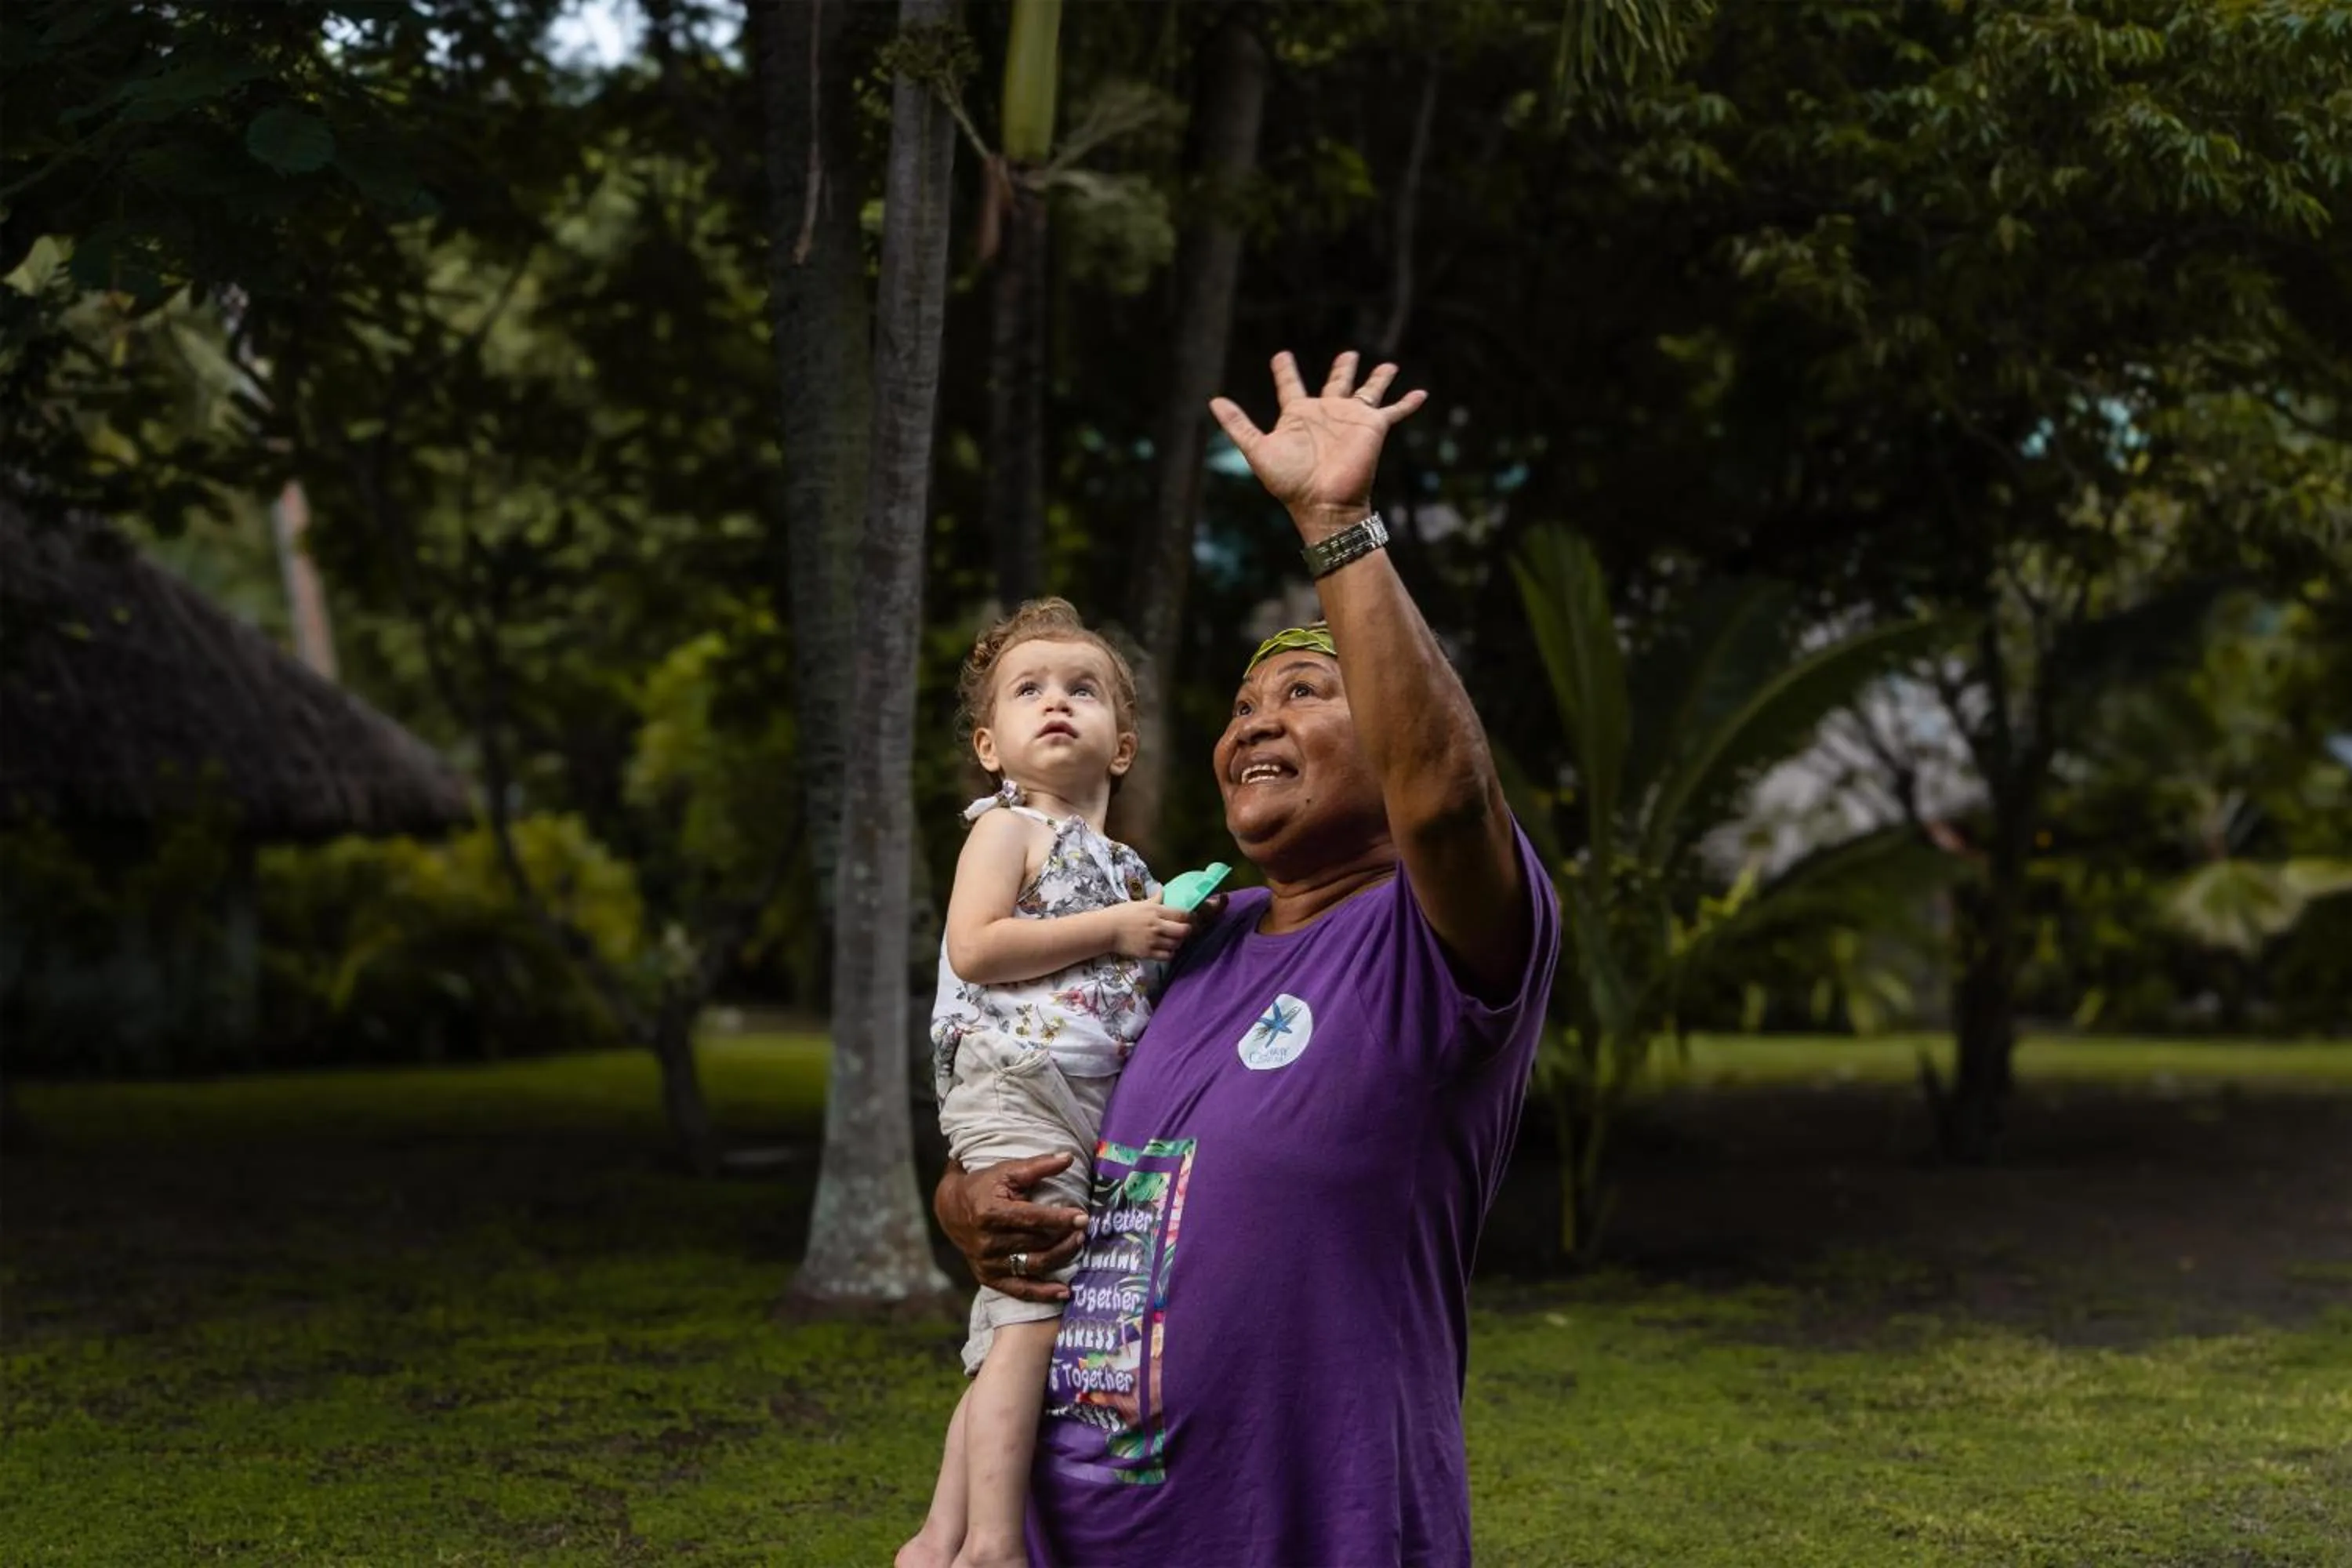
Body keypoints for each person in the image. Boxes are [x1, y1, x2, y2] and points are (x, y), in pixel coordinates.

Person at [934, 350, 1561, 1568]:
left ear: (1388, 735)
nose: (1257, 722)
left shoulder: (1443, 946)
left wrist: (1334, 524)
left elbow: (1443, 798)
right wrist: (974, 1208)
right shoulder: (1180, 942)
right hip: (1075, 1533)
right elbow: (1027, 1087)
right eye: (1242, 707)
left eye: (1309, 692)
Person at [902, 598, 1197, 1568]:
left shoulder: (1124, 869)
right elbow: (978, 946)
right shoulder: (1008, 831)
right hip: (1010, 1081)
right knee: (1035, 1308)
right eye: (1029, 690)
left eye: (1083, 688)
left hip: (1079, 1102)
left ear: (1123, 745)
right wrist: (1118, 930)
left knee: (1016, 1320)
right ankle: (993, 1544)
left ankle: (937, 1537)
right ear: (992, 746)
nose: (1057, 701)